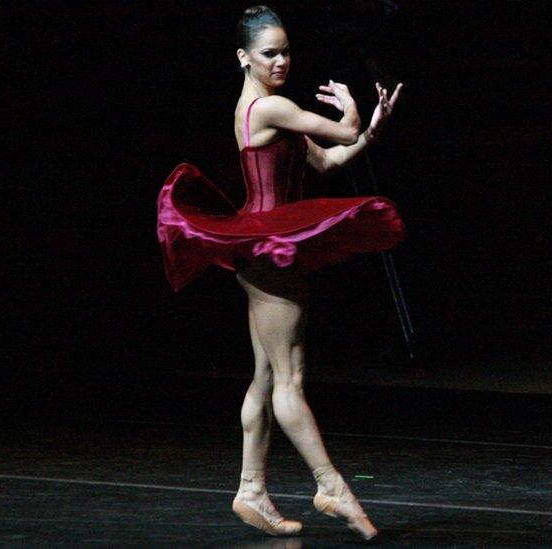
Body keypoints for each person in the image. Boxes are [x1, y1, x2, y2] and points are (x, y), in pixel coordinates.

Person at [155, 4, 405, 541]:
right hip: (268, 248)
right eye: (270, 53)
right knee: (289, 378)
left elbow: (329, 161)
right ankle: (329, 484)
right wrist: (352, 113)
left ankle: (251, 491)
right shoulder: (267, 109)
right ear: (243, 57)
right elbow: (342, 131)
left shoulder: (271, 108)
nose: (281, 61)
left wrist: (369, 132)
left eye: (286, 51)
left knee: (267, 377)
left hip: (266, 244)